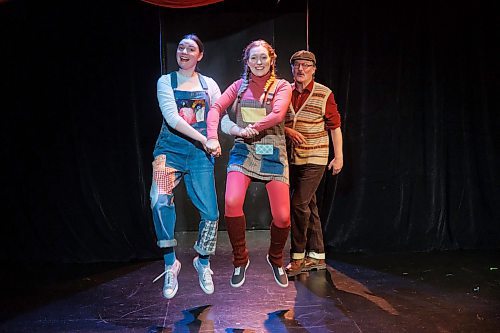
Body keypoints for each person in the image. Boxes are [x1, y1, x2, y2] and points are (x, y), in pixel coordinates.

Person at [205, 40, 292, 288]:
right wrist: (213, 135)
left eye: (263, 57)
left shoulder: (282, 86)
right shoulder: (239, 87)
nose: (259, 62)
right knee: (231, 202)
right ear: (247, 62)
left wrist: (252, 128)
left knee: (283, 217)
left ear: (272, 60)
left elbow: (278, 114)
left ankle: (275, 258)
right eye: (253, 58)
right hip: (244, 148)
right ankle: (240, 260)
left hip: (271, 150)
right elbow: (216, 108)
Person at [150, 34, 221, 299]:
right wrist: (206, 139)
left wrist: (223, 135)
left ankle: (202, 261)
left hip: (199, 156)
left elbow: (217, 115)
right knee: (159, 199)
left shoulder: (209, 84)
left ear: (199, 55)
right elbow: (172, 118)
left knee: (211, 214)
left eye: (190, 48)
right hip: (168, 154)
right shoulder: (165, 81)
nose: (184, 51)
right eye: (181, 47)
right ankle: (171, 263)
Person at [284, 50, 343, 277]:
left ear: (314, 69)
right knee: (309, 204)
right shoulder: (285, 92)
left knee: (298, 203)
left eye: (306, 65)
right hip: (291, 157)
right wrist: (288, 130)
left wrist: (338, 157)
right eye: (297, 65)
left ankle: (298, 256)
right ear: (292, 68)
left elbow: (335, 127)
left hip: (315, 156)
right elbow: (275, 121)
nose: (301, 69)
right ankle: (317, 255)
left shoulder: (323, 93)